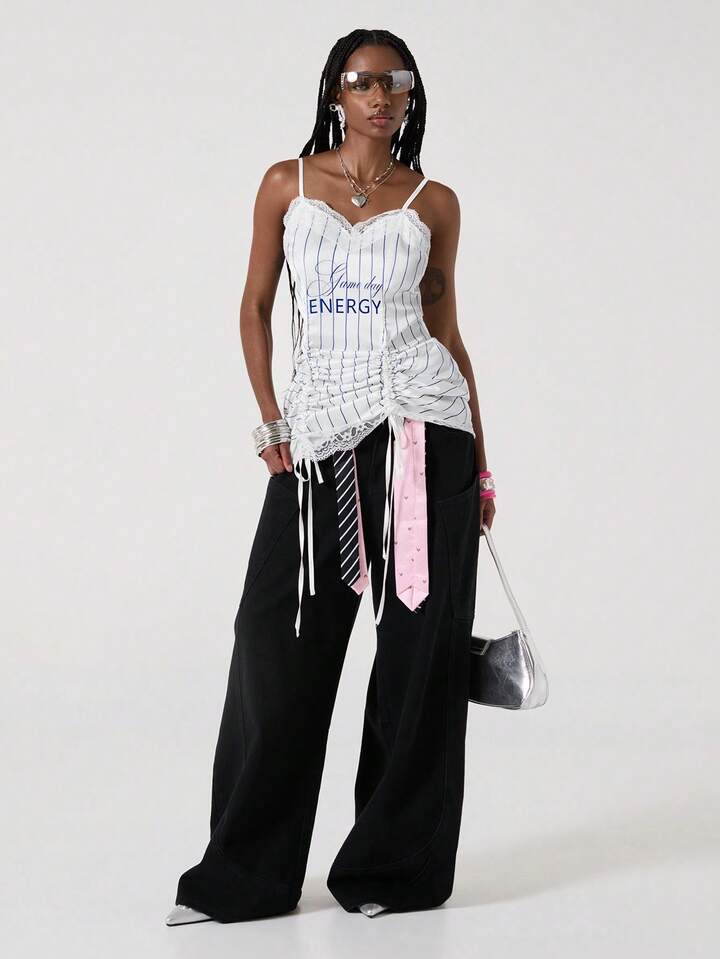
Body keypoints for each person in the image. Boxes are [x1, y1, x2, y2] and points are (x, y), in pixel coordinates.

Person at [166, 27, 496, 926]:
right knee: (273, 643)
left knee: (417, 657)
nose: (380, 96)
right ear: (335, 93)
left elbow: (447, 334)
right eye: (362, 81)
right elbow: (253, 306)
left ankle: (393, 869)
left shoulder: (433, 202)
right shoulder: (288, 183)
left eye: (396, 82)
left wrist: (483, 464)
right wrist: (270, 418)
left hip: (425, 432)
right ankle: (244, 874)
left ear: (411, 95)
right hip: (317, 437)